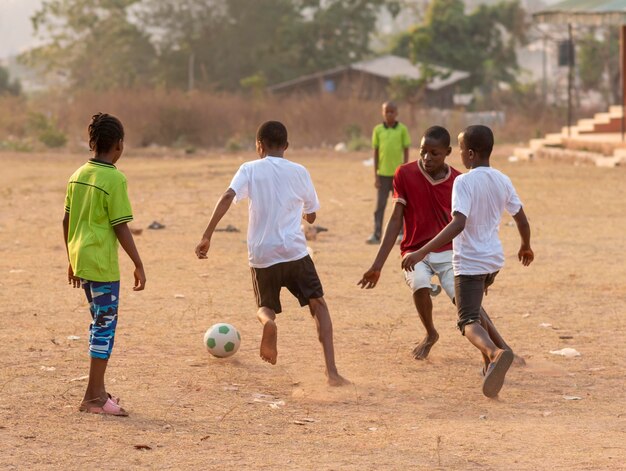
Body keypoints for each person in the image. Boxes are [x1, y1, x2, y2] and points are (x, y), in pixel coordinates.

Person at [195, 121, 349, 387]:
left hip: (263, 254)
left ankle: (269, 323)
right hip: (295, 251)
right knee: (318, 305)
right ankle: (332, 372)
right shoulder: (300, 171)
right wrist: (303, 212)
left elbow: (227, 196)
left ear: (259, 146)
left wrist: (207, 234)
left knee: (265, 306)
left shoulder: (250, 169)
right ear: (286, 147)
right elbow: (311, 215)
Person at [358, 126, 516, 363]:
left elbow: (464, 224)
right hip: (414, 251)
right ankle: (431, 333)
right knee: (420, 283)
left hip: (449, 253)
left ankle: (502, 349)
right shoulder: (404, 173)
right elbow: (394, 220)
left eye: (434, 153)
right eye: (423, 151)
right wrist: (377, 265)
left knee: (466, 305)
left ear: (448, 153)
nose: (426, 158)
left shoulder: (459, 180)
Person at [401, 125, 534, 398]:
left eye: (460, 150)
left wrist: (421, 251)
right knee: (475, 307)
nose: (459, 155)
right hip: (492, 262)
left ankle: (495, 354)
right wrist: (525, 246)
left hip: (469, 263)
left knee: (468, 321)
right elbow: (520, 217)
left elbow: (458, 223)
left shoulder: (464, 182)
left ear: (470, 153)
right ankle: (489, 369)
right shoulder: (502, 179)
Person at [63, 113, 146, 416]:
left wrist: (71, 259)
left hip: (82, 260)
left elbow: (67, 219)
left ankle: (98, 392)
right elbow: (120, 226)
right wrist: (138, 263)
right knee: (105, 326)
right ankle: (92, 397)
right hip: (101, 264)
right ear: (119, 145)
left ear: (93, 142)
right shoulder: (114, 178)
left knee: (99, 321)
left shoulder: (77, 174)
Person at [367, 101, 411, 245]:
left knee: (400, 205)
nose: (389, 114)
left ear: (397, 113)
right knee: (380, 206)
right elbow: (376, 152)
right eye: (387, 111)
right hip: (383, 175)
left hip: (398, 175)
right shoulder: (378, 130)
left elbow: (406, 149)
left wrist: (404, 169)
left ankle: (401, 234)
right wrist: (376, 176)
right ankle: (377, 234)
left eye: (392, 111)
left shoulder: (402, 129)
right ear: (383, 113)